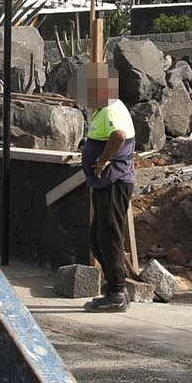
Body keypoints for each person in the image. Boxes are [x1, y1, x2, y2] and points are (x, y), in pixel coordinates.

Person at [80, 67, 136, 312]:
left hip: (113, 181)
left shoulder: (112, 109)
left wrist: (102, 161)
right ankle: (115, 288)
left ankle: (117, 292)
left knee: (109, 236)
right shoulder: (103, 109)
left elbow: (118, 136)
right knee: (98, 237)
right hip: (105, 183)